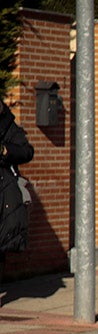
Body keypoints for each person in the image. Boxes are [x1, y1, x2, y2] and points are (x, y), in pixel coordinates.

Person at [0, 99, 35, 286]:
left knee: (1, 241)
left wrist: (6, 151)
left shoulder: (9, 126)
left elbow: (27, 151)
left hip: (4, 193)